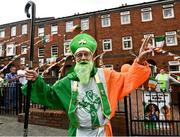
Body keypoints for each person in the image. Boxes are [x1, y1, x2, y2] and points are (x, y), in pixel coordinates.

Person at [24, 33, 152, 136]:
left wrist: (139, 61)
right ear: (74, 59)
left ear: (92, 57)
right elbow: (50, 95)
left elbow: (128, 79)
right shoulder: (67, 81)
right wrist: (36, 80)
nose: (83, 58)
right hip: (79, 133)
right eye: (79, 55)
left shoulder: (107, 75)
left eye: (87, 54)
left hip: (102, 132)